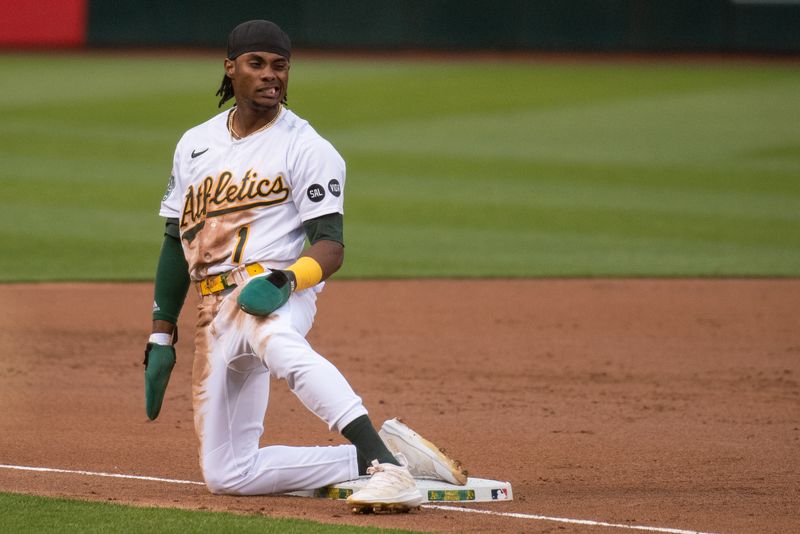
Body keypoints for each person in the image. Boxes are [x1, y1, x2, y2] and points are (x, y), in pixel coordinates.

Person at [142, 19, 467, 512]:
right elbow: (174, 239)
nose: (271, 75)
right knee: (228, 474)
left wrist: (287, 280)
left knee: (279, 344)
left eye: (280, 66)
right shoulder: (195, 143)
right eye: (257, 64)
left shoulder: (308, 147)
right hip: (211, 310)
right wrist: (161, 334)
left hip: (270, 288)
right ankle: (379, 456)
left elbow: (331, 246)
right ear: (230, 69)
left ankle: (391, 471)